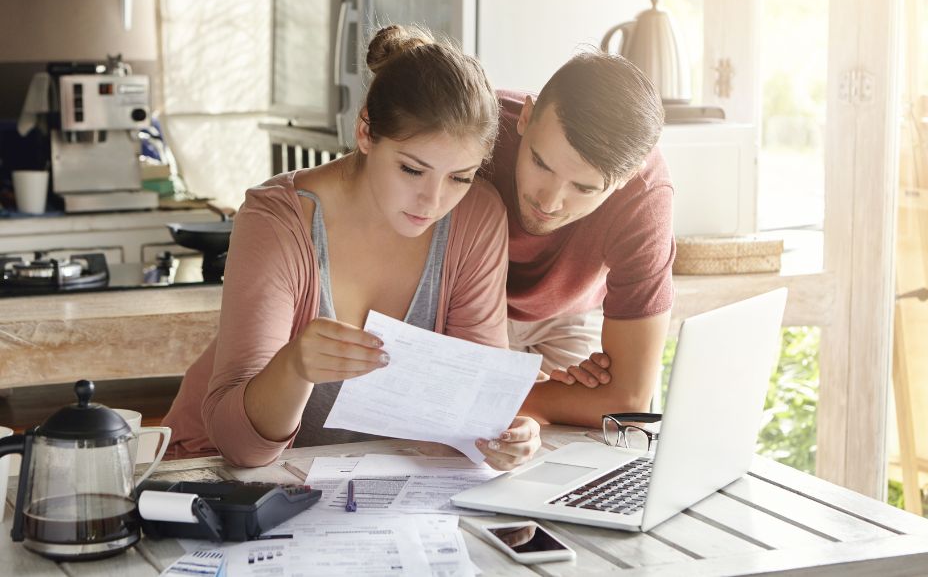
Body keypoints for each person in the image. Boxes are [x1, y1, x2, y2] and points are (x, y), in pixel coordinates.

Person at [162, 25, 540, 470]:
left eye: (459, 177)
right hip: (219, 478)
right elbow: (240, 449)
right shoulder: (277, 220)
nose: (433, 201)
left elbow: (466, 412)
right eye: (412, 170)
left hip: (362, 489)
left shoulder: (476, 217)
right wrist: (294, 368)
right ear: (365, 132)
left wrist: (503, 435)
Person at [486, 52, 674, 428]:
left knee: (589, 449)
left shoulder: (645, 197)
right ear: (525, 117)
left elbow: (629, 403)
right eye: (541, 163)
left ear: (627, 178)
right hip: (464, 309)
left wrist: (498, 395)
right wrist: (541, 398)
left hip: (567, 317)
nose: (548, 202)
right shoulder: (476, 127)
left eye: (584, 187)